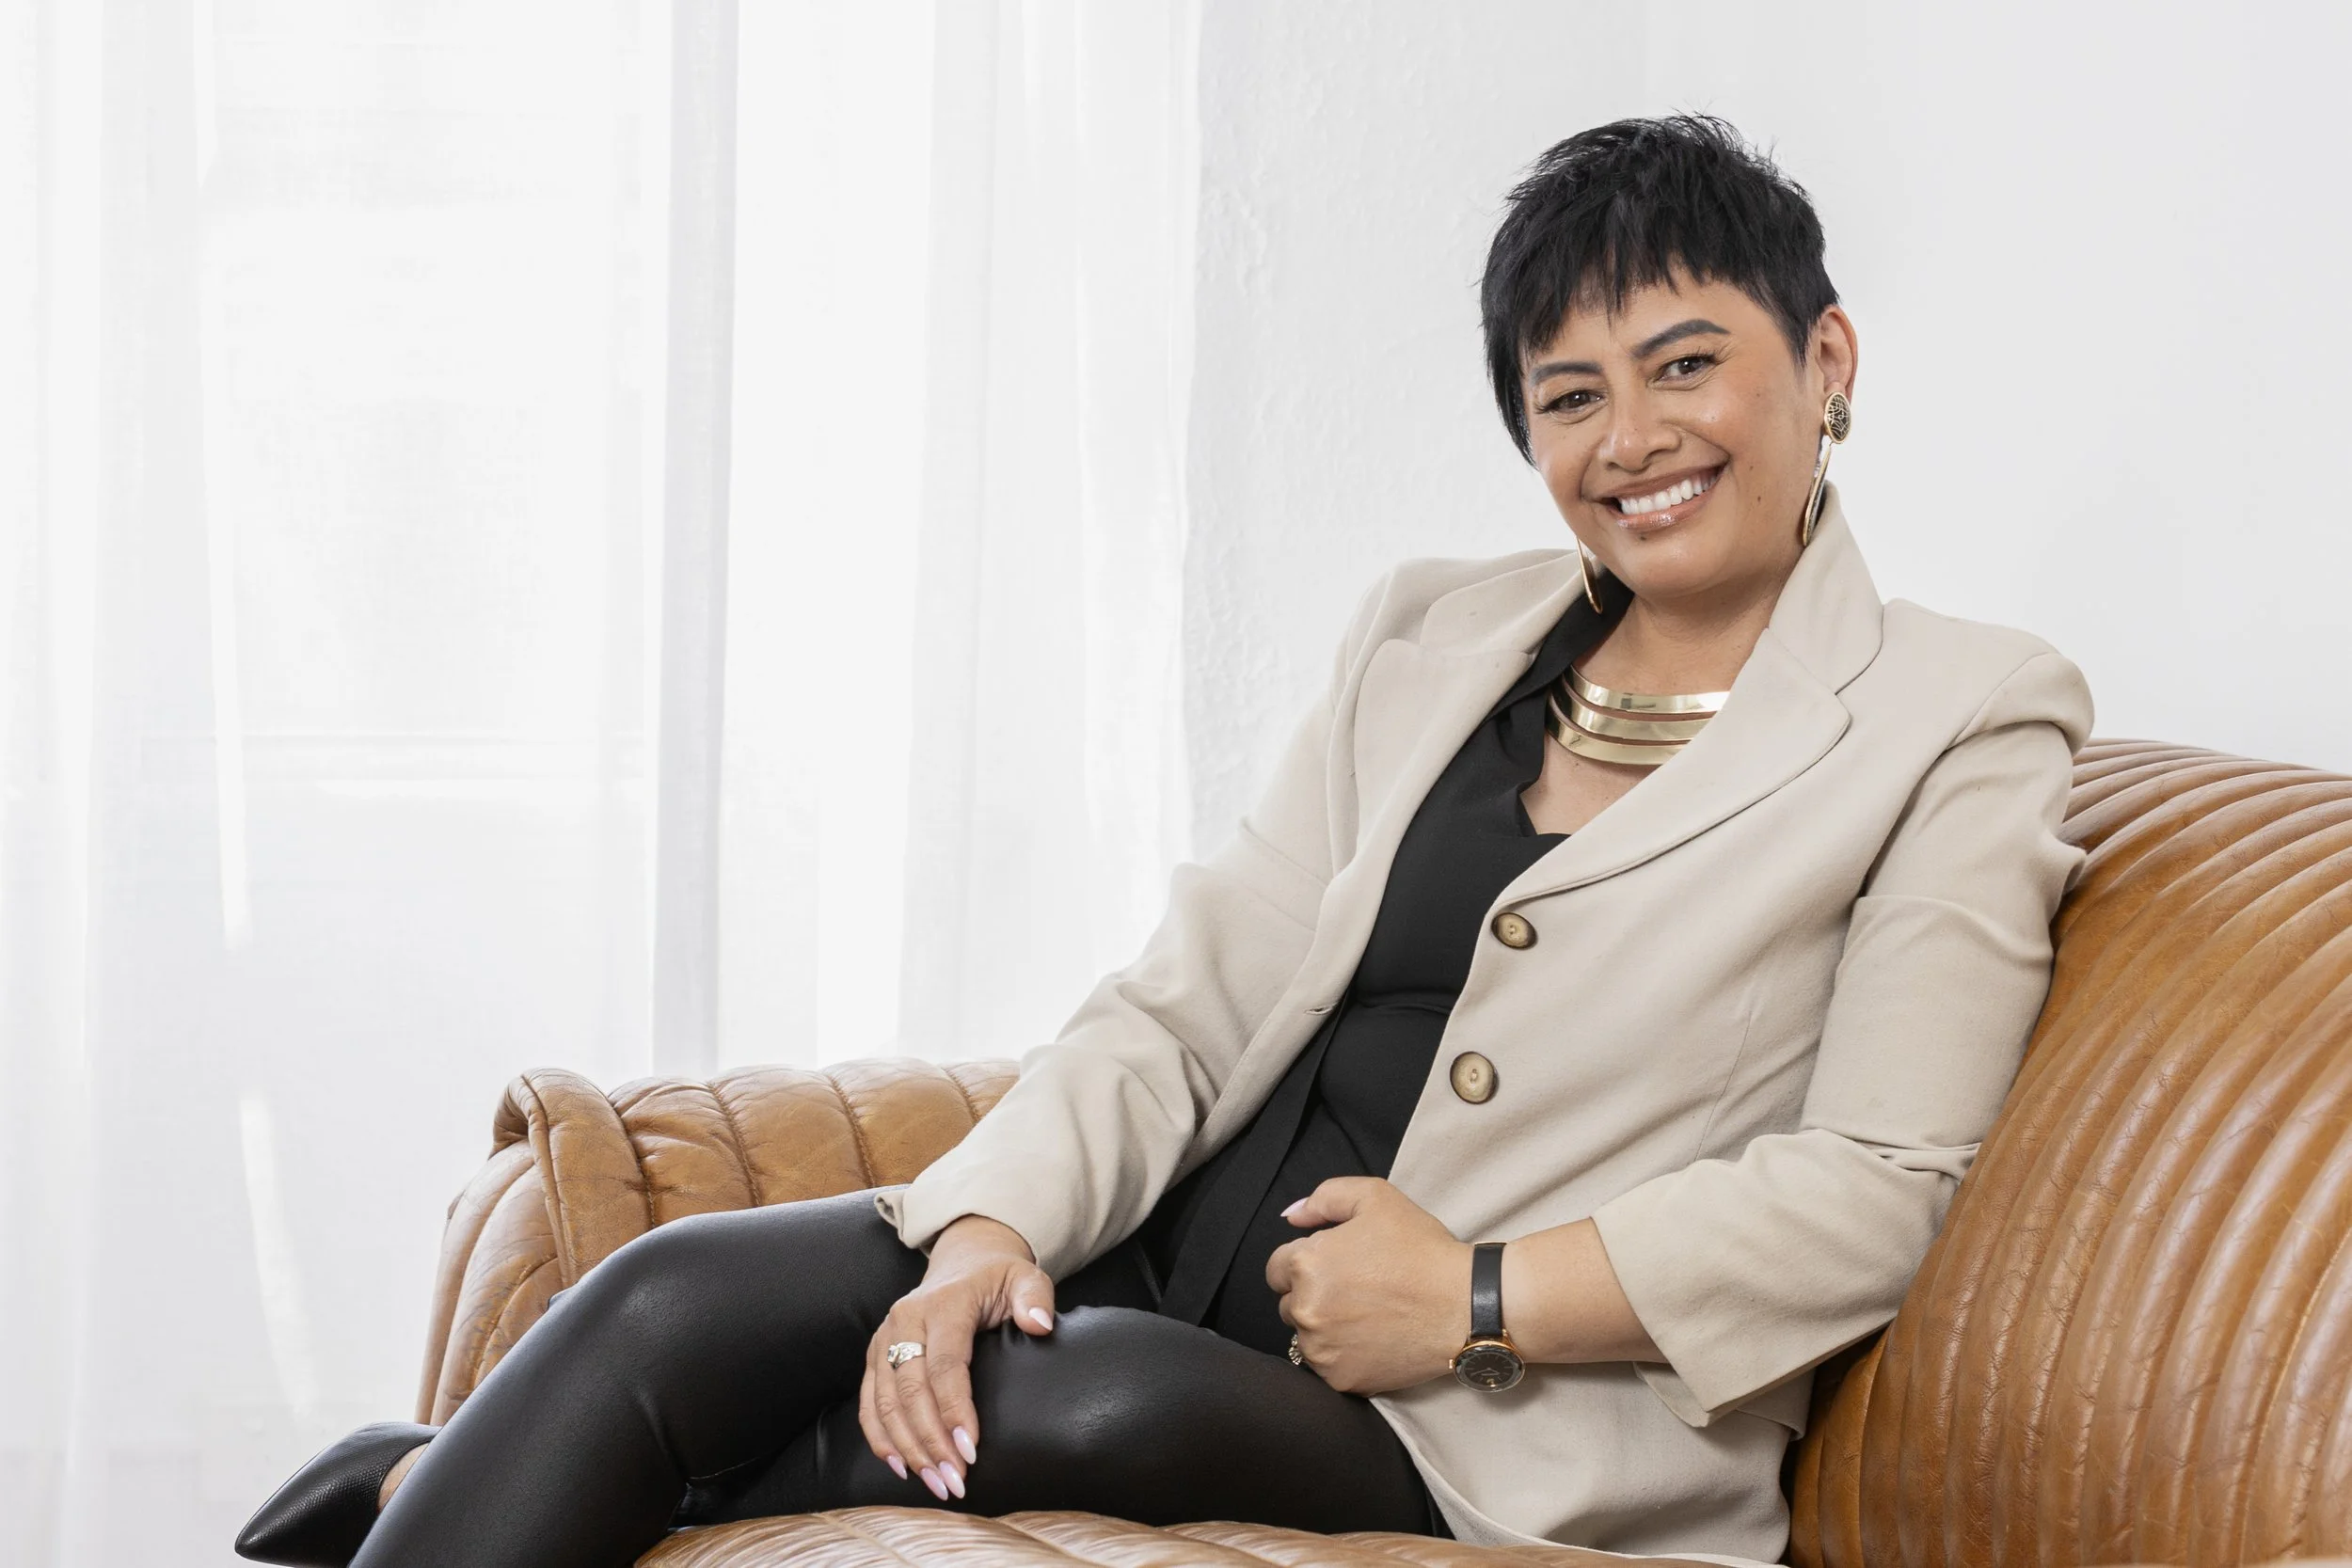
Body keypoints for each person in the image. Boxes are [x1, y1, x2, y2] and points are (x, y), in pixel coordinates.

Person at [236, 115, 2091, 1567]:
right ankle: (471, 1499)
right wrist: (985, 1226)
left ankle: (445, 1499)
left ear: (1824, 357)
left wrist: (1461, 1295)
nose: (1632, 437)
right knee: (662, 1291)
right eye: (1568, 392)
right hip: (1160, 1247)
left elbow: (1875, 1178)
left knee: (1080, 1409)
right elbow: (1192, 996)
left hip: (1476, 1411)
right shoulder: (1436, 631)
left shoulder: (1959, 710)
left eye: (1685, 363)